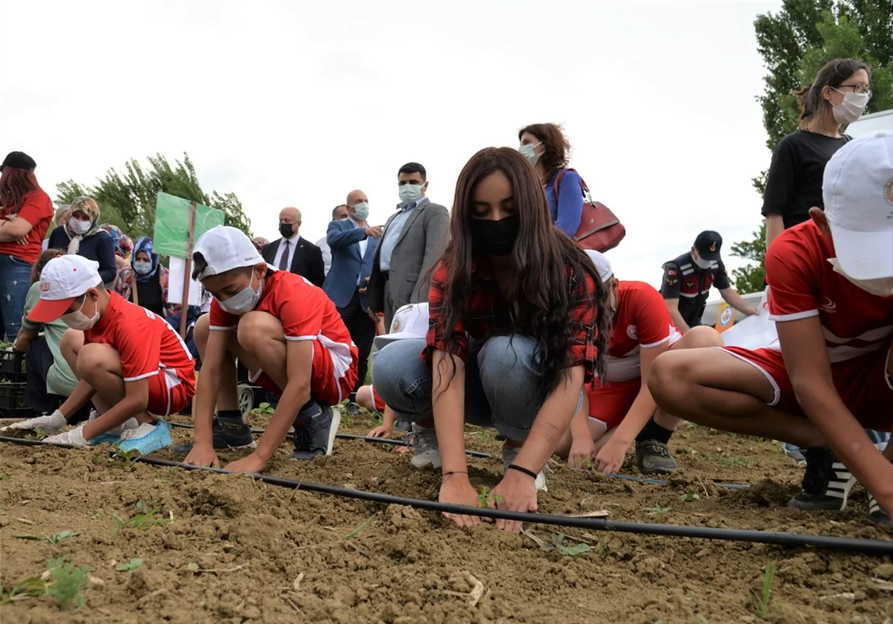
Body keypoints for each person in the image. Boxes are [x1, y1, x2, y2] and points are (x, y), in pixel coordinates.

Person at [648, 132, 893, 527]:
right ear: (822, 223)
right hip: (811, 367)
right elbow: (810, 380)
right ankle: (827, 445)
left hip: (881, 378)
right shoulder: (794, 252)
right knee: (669, 375)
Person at [372, 147, 609, 533]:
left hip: (536, 389)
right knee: (391, 365)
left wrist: (523, 472)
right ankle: (430, 435)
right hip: (476, 386)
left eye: (509, 209)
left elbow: (570, 378)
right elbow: (446, 361)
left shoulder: (570, 270)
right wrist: (455, 474)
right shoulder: (454, 270)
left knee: (506, 353)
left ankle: (520, 450)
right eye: (481, 212)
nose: (496, 221)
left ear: (531, 207)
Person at [179, 226, 358, 473]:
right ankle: (232, 427)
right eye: (214, 293)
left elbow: (299, 383)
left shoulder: (291, 292)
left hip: (336, 373)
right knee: (204, 327)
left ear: (260, 270)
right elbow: (210, 369)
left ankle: (313, 417)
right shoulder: (224, 300)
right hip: (296, 364)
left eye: (231, 290)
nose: (224, 300)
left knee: (251, 327)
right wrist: (202, 442)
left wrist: (259, 457)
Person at [1, 255, 196, 454]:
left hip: (174, 385)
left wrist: (82, 434)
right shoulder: (97, 316)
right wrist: (58, 418)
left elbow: (138, 399)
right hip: (150, 381)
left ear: (92, 295)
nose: (62, 317)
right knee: (70, 339)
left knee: (90, 356)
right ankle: (114, 423)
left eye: (66, 310)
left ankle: (149, 425)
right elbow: (91, 378)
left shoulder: (129, 324)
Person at [553, 251, 723, 474]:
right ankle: (633, 427)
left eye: (596, 299)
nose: (591, 312)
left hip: (657, 374)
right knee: (561, 446)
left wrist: (620, 442)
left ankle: (654, 436)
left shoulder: (641, 298)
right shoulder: (566, 316)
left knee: (706, 340)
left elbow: (651, 380)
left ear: (613, 286)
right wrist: (581, 436)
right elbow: (574, 383)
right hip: (611, 385)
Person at [762, 58, 871, 248]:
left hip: (843, 254)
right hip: (803, 253)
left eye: (865, 89)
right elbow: (774, 213)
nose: (861, 95)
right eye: (856, 87)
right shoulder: (792, 146)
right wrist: (777, 262)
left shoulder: (852, 147)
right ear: (828, 92)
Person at [366, 162, 450, 329]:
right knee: (392, 339)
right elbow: (382, 259)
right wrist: (374, 299)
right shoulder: (393, 217)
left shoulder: (434, 212)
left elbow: (434, 258)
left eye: (413, 182)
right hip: (388, 288)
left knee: (411, 340)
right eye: (402, 183)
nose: (407, 187)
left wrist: (419, 300)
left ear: (425, 185)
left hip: (412, 291)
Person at [324, 190, 380, 403]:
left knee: (362, 350)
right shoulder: (338, 226)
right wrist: (363, 232)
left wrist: (374, 280)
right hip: (340, 297)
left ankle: (354, 398)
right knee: (330, 344)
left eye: (366, 200)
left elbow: (381, 262)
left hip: (365, 299)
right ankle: (327, 393)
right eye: (358, 201)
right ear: (348, 208)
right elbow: (334, 240)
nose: (363, 204)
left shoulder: (377, 234)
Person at [11, 249, 79, 415]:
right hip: (95, 383)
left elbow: (24, 338)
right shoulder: (81, 288)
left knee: (33, 344)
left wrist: (15, 348)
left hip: (69, 383)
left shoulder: (41, 288)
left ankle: (41, 409)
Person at [0, 152, 54, 342]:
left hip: (19, 263)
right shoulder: (3, 196)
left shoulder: (38, 197)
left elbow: (17, 230)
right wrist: (7, 225)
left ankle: (17, 361)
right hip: (15, 261)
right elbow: (16, 230)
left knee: (15, 328)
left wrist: (12, 227)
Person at [660, 231, 757, 333]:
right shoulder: (676, 268)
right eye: (704, 258)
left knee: (712, 337)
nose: (708, 262)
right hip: (671, 325)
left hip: (694, 321)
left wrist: (748, 310)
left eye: (711, 258)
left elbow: (727, 292)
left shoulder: (716, 264)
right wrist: (689, 335)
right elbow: (670, 308)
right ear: (693, 251)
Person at [518, 123, 584, 238]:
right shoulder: (525, 187)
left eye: (526, 143)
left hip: (554, 248)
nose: (521, 149)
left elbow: (566, 230)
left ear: (544, 147)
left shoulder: (567, 178)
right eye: (521, 145)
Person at [47, 196, 117, 286]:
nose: (79, 221)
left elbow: (110, 272)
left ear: (93, 219)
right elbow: (48, 261)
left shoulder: (102, 238)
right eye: (76, 216)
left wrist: (86, 278)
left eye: (85, 218)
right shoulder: (59, 233)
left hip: (89, 288)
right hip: (58, 285)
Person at [113, 237, 179, 318]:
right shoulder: (124, 275)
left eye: (145, 260)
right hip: (131, 323)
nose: (141, 262)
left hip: (158, 324)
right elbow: (115, 304)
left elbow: (179, 308)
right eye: (138, 259)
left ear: (153, 259)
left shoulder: (166, 277)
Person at [261, 207, 325, 287]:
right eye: (281, 220)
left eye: (287, 220)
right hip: (271, 291)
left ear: (298, 224)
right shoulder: (268, 249)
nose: (283, 223)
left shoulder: (311, 251)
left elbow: (318, 282)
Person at [316, 205, 350, 276]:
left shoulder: (363, 242)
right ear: (334, 220)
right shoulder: (321, 244)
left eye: (351, 217)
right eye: (344, 216)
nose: (348, 220)